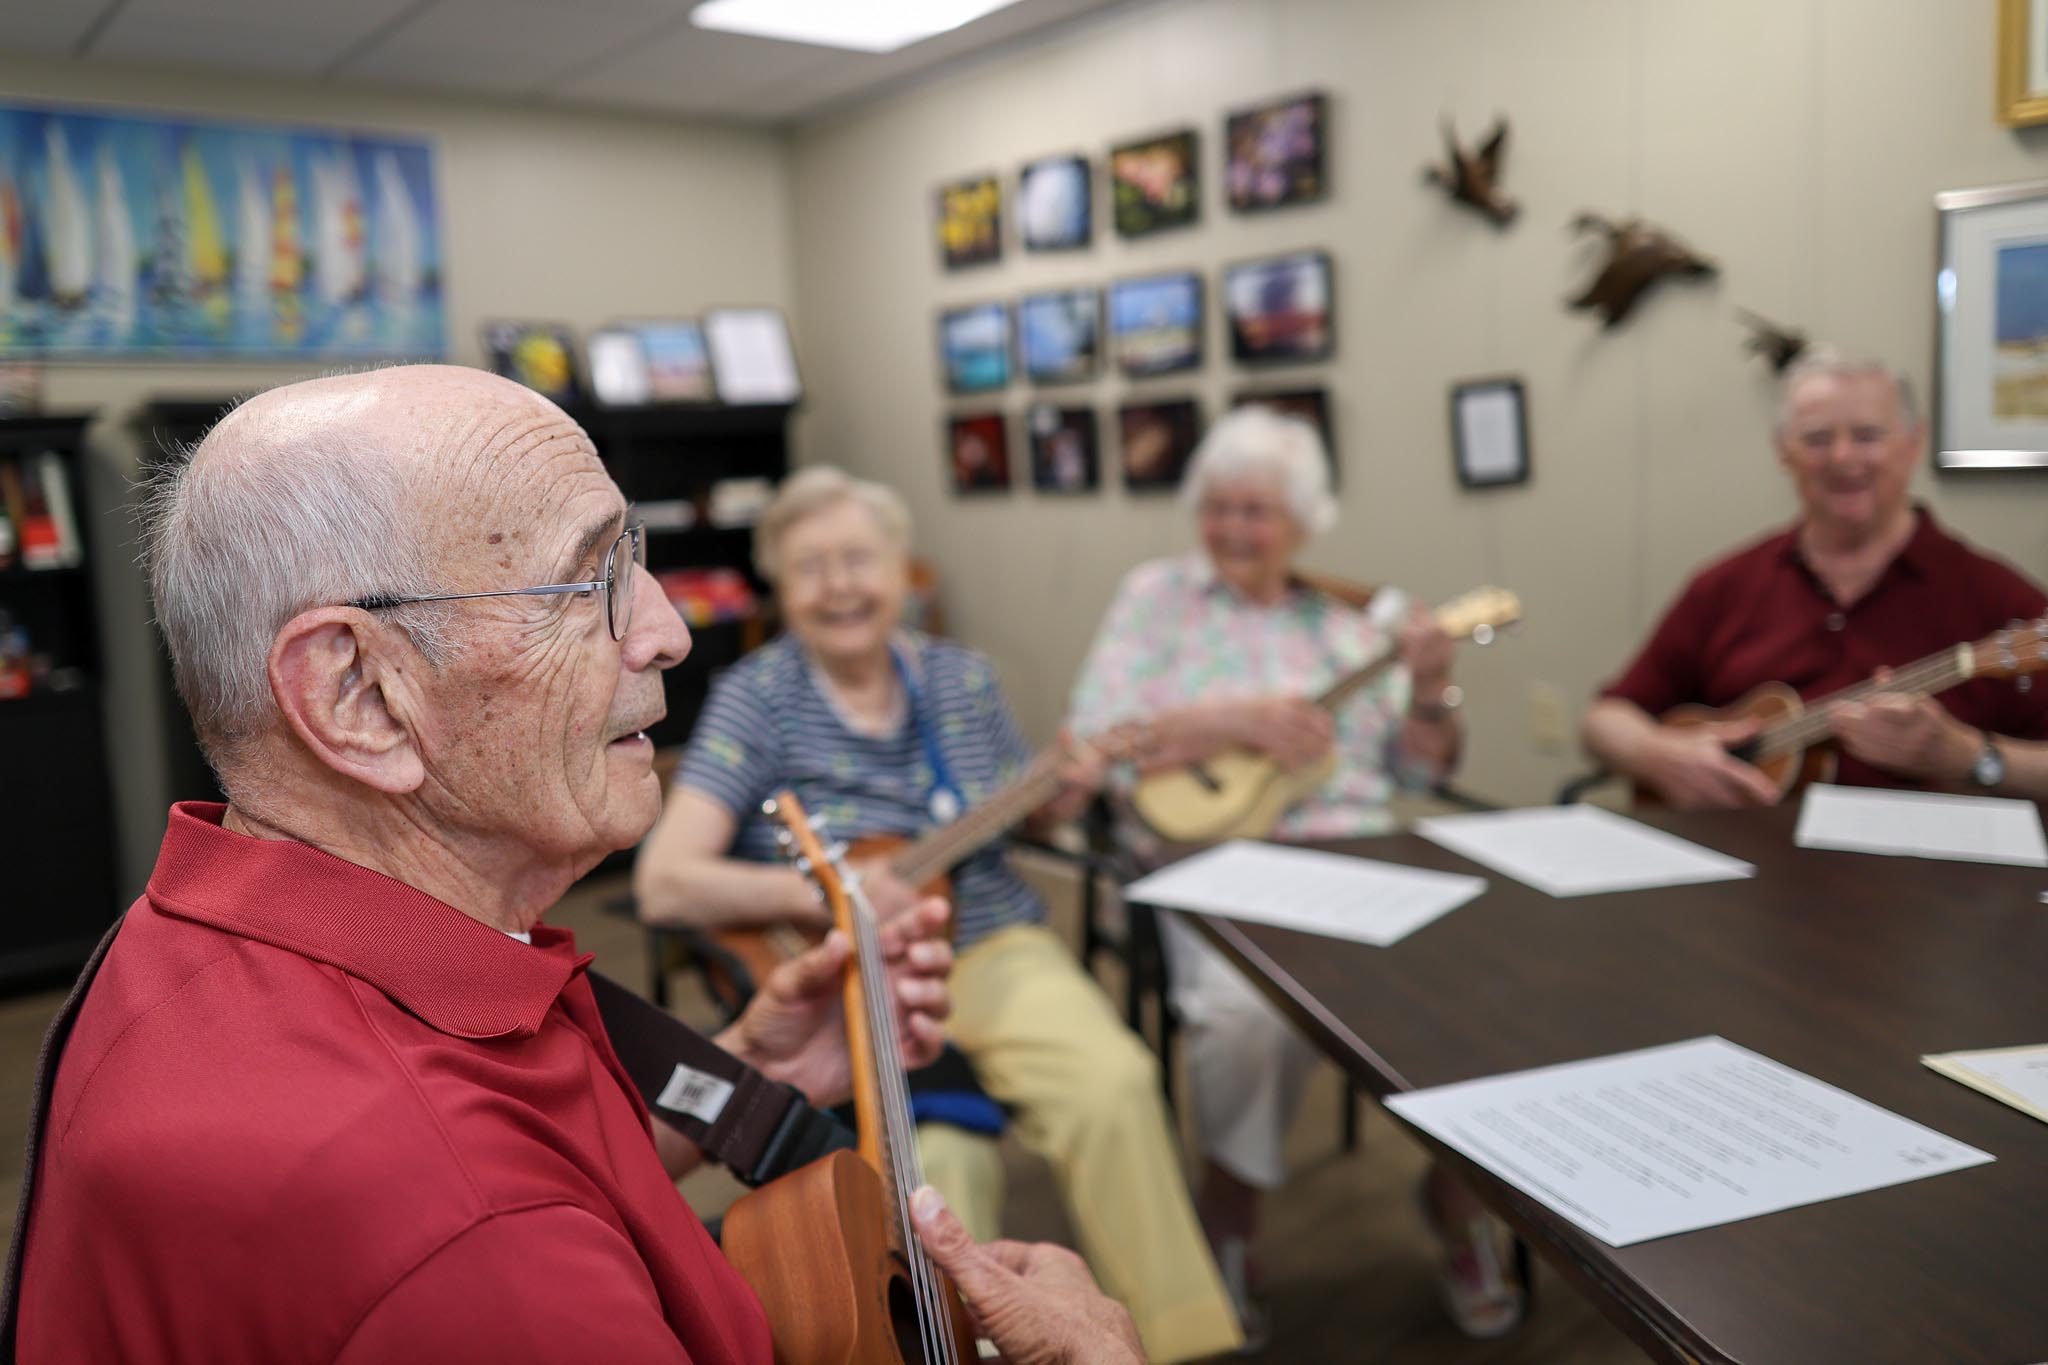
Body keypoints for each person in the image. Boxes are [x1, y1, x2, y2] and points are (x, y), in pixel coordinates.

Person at [12, 366, 1142, 1365]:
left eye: (637, 558)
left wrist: (750, 1073)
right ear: (360, 697)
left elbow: (530, 1159)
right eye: (590, 580)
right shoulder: (473, 1256)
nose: (665, 630)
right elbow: (479, 1213)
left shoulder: (212, 925)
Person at [635, 466, 1243, 1363]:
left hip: (993, 937)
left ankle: (1180, 1343)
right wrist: (832, 894)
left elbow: (1017, 811)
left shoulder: (963, 679)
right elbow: (665, 881)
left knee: (1113, 1082)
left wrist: (1059, 795)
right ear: (781, 589)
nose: (840, 585)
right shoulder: (756, 699)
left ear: (902, 570)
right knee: (943, 1170)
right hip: (855, 972)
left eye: (858, 559)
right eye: (811, 567)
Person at [1068, 405, 1522, 1342]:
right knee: (1242, 1009)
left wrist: (1433, 685)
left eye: (1259, 511)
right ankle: (1229, 1205)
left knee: (1492, 988)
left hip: (1361, 857)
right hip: (1212, 861)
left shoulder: (1353, 618)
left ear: (1305, 522)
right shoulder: (1157, 598)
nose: (1236, 529)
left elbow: (1420, 772)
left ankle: (1456, 1193)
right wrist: (1226, 722)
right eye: (1220, 507)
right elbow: (1092, 737)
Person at [1583, 350, 2048, 806]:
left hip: (1927, 876)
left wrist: (1970, 757)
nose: (1843, 457)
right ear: (1783, 450)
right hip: (1743, 868)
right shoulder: (1726, 585)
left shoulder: (1996, 597)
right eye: (1818, 439)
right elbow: (1605, 719)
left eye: (1867, 435)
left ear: (1913, 444)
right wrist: (1659, 756)